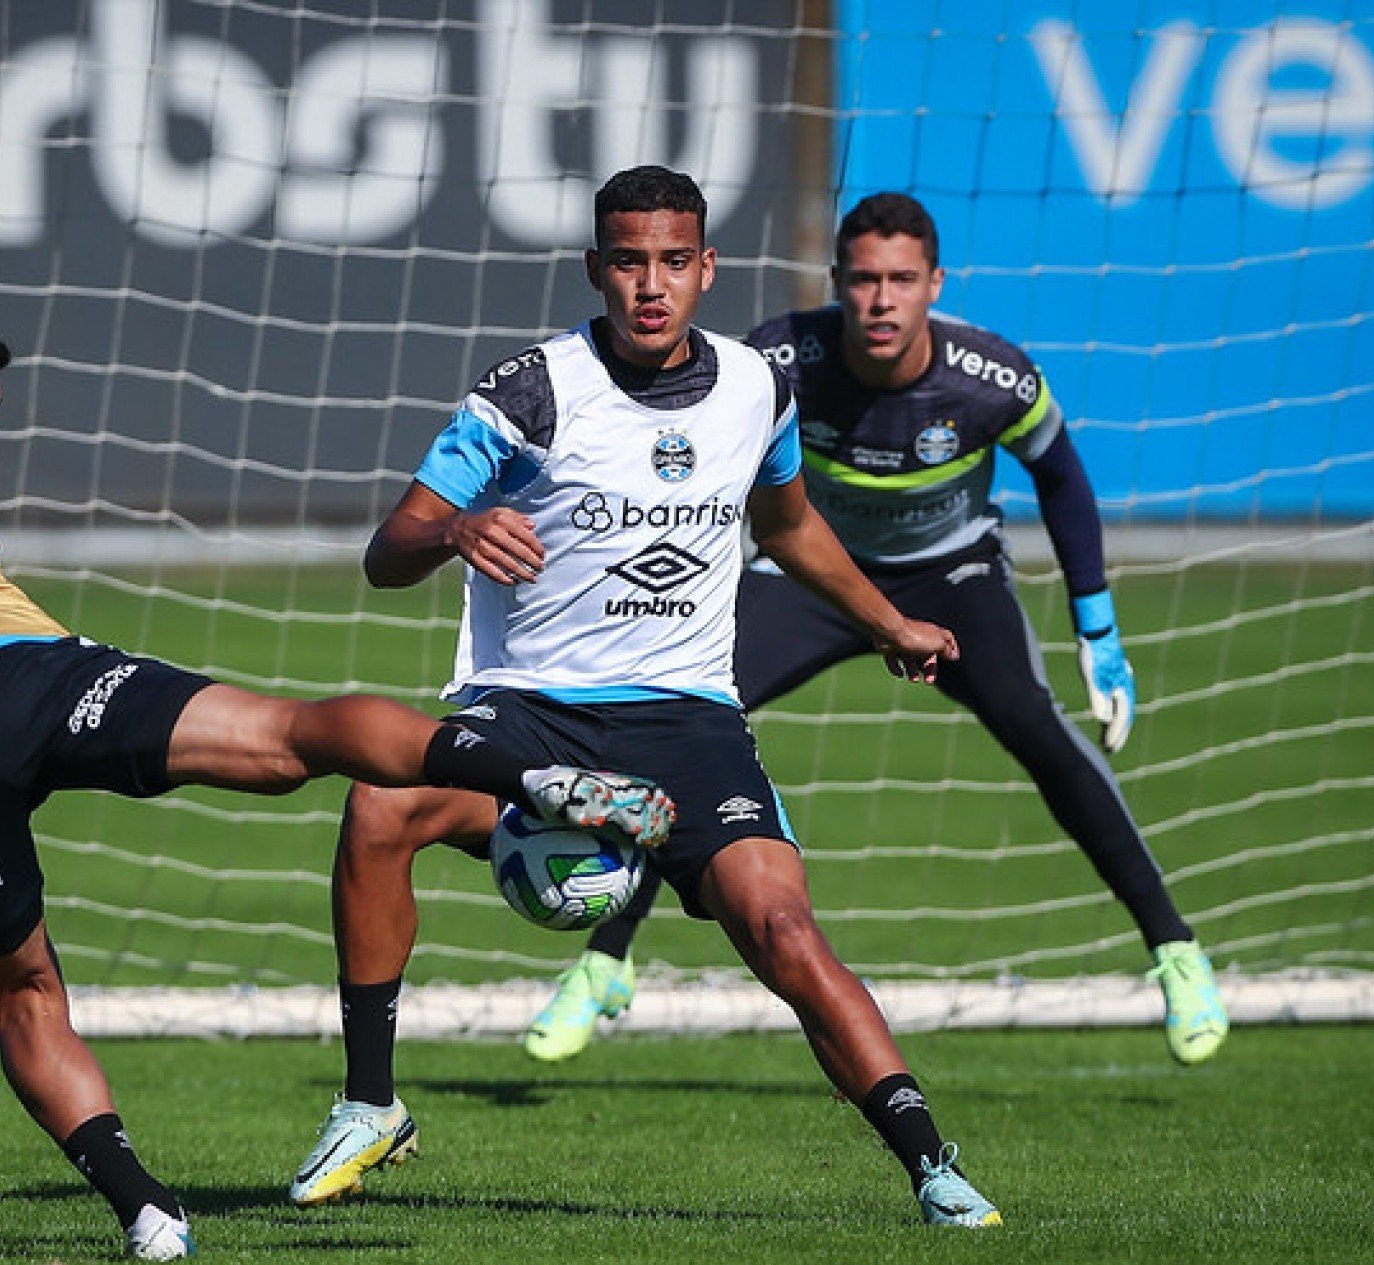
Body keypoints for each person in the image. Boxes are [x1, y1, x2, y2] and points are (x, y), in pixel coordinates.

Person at [0, 307, 678, 1263]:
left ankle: (147, 1214)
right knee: (289, 738)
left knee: (26, 997)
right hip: (12, 679)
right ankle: (530, 775)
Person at [287, 167, 1002, 1228]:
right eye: (629, 262)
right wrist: (453, 530)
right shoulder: (528, 391)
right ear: (596, 269)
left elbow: (790, 525)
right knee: (380, 802)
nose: (651, 285)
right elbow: (386, 551)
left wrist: (886, 622)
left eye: (674, 261)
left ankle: (934, 1166)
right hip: (528, 709)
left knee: (782, 930)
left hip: (686, 721)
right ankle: (369, 1103)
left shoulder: (760, 387)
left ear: (707, 268)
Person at [522, 191, 1230, 1068]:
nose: (881, 300)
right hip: (811, 574)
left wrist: (1097, 624)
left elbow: (1062, 476)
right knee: (674, 728)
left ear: (934, 284)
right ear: (838, 285)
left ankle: (1175, 950)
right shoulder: (781, 355)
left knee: (1038, 731)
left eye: (901, 280)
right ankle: (604, 965)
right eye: (863, 280)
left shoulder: (991, 377)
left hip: (951, 579)